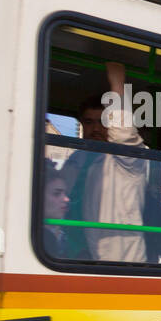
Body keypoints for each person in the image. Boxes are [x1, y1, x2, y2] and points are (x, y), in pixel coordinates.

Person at [60, 61, 148, 262]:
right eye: (89, 122)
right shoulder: (74, 161)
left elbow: (124, 137)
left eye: (103, 122)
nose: (96, 129)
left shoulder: (125, 162)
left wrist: (117, 86)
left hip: (118, 261)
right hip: (75, 256)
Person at [41, 175, 75, 259]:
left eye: (65, 194)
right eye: (57, 194)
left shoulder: (65, 234)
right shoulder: (40, 238)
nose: (66, 199)